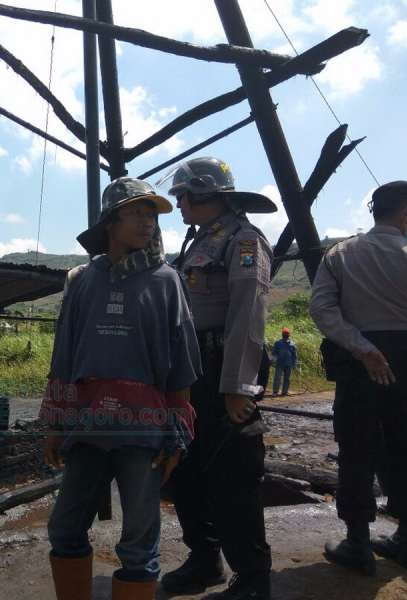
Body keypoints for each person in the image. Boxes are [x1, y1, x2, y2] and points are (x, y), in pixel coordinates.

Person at [41, 177, 201, 600]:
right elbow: (64, 356)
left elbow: (180, 364)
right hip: (88, 424)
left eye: (152, 215)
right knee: (65, 527)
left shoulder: (167, 281)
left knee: (138, 543)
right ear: (112, 221)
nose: (148, 222)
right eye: (137, 213)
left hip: (143, 429)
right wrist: (55, 423)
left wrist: (178, 432)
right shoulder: (83, 280)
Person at [162, 157, 275, 600]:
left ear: (202, 194)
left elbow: (249, 312)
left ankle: (252, 576)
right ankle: (204, 559)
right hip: (192, 371)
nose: (180, 205)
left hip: (222, 368)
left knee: (233, 476)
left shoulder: (244, 240)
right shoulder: (199, 242)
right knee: (188, 470)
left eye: (182, 196)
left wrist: (236, 386)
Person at [309, 180, 407, 574]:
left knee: (357, 452)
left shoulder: (340, 253)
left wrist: (362, 347)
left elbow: (322, 310)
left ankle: (358, 544)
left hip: (358, 366)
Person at [271, 327, 297, 396]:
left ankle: (284, 392)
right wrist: (273, 361)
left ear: (289, 335)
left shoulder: (292, 344)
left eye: (287, 333)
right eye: (284, 333)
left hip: (289, 364)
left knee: (287, 379)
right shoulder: (278, 343)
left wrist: (294, 364)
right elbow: (274, 353)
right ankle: (275, 392)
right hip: (279, 363)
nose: (286, 334)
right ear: (282, 334)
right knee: (277, 378)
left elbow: (294, 355)